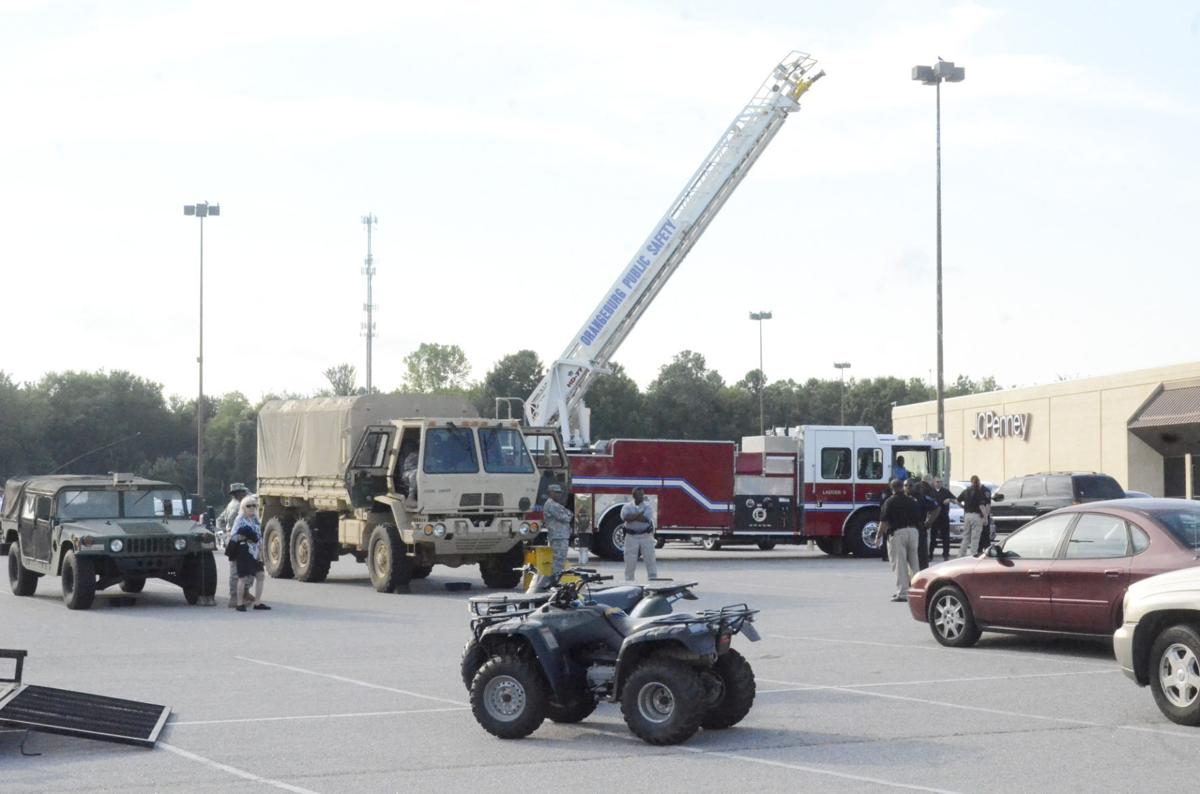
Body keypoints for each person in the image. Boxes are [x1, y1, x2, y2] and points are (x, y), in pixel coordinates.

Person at [877, 479, 920, 602]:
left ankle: (903, 593)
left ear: (892, 489)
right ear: (902, 487)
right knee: (914, 562)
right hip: (913, 532)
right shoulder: (912, 501)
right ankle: (917, 590)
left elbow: (884, 521)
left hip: (898, 533)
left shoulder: (889, 502)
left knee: (899, 563)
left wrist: (878, 536)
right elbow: (919, 516)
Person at [226, 495, 270, 611]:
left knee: (260, 575)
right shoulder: (240, 519)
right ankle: (239, 603)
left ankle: (257, 602)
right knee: (242, 577)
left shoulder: (255, 519)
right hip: (244, 551)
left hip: (255, 552)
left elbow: (259, 535)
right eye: (248, 505)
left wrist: (260, 547)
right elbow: (234, 535)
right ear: (243, 507)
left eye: (254, 505)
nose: (252, 508)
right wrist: (247, 537)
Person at [217, 483, 249, 608]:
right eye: (243, 492)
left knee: (238, 568)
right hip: (237, 537)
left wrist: (224, 534)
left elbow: (220, 520)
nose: (245, 494)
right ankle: (235, 596)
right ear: (238, 494)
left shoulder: (231, 505)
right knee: (237, 569)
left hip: (232, 537)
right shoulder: (237, 507)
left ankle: (241, 594)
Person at [621, 488, 658, 582]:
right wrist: (639, 515)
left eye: (642, 494)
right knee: (630, 562)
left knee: (650, 560)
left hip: (646, 535)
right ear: (634, 496)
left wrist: (633, 516)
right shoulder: (627, 506)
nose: (642, 496)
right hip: (631, 536)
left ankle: (653, 582)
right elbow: (625, 517)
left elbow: (646, 519)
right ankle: (629, 583)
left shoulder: (648, 506)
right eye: (639, 495)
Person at [542, 483, 573, 577]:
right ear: (550, 493)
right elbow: (567, 517)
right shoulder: (552, 505)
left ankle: (556, 579)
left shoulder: (555, 504)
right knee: (559, 560)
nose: (559, 494)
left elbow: (568, 514)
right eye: (556, 492)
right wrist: (568, 514)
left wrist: (568, 513)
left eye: (560, 492)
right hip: (558, 536)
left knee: (560, 560)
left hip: (560, 536)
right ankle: (555, 580)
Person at [958, 475, 991, 558]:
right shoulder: (978, 491)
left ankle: (961, 555)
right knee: (975, 538)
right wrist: (985, 517)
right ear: (979, 481)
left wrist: (963, 507)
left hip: (967, 515)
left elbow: (957, 500)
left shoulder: (966, 490)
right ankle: (973, 556)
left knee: (966, 537)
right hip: (976, 516)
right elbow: (982, 506)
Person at [910, 477, 937, 570]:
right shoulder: (901, 498)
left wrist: (928, 522)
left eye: (910, 486)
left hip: (918, 526)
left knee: (920, 554)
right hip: (911, 527)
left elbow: (936, 507)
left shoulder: (921, 498)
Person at [928, 476, 955, 561]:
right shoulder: (930, 491)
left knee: (945, 537)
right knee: (933, 537)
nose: (939, 483)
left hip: (943, 516)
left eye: (940, 482)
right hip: (934, 517)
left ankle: (946, 554)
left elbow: (954, 499)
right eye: (937, 482)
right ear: (933, 482)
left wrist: (949, 500)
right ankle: (930, 554)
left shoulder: (945, 491)